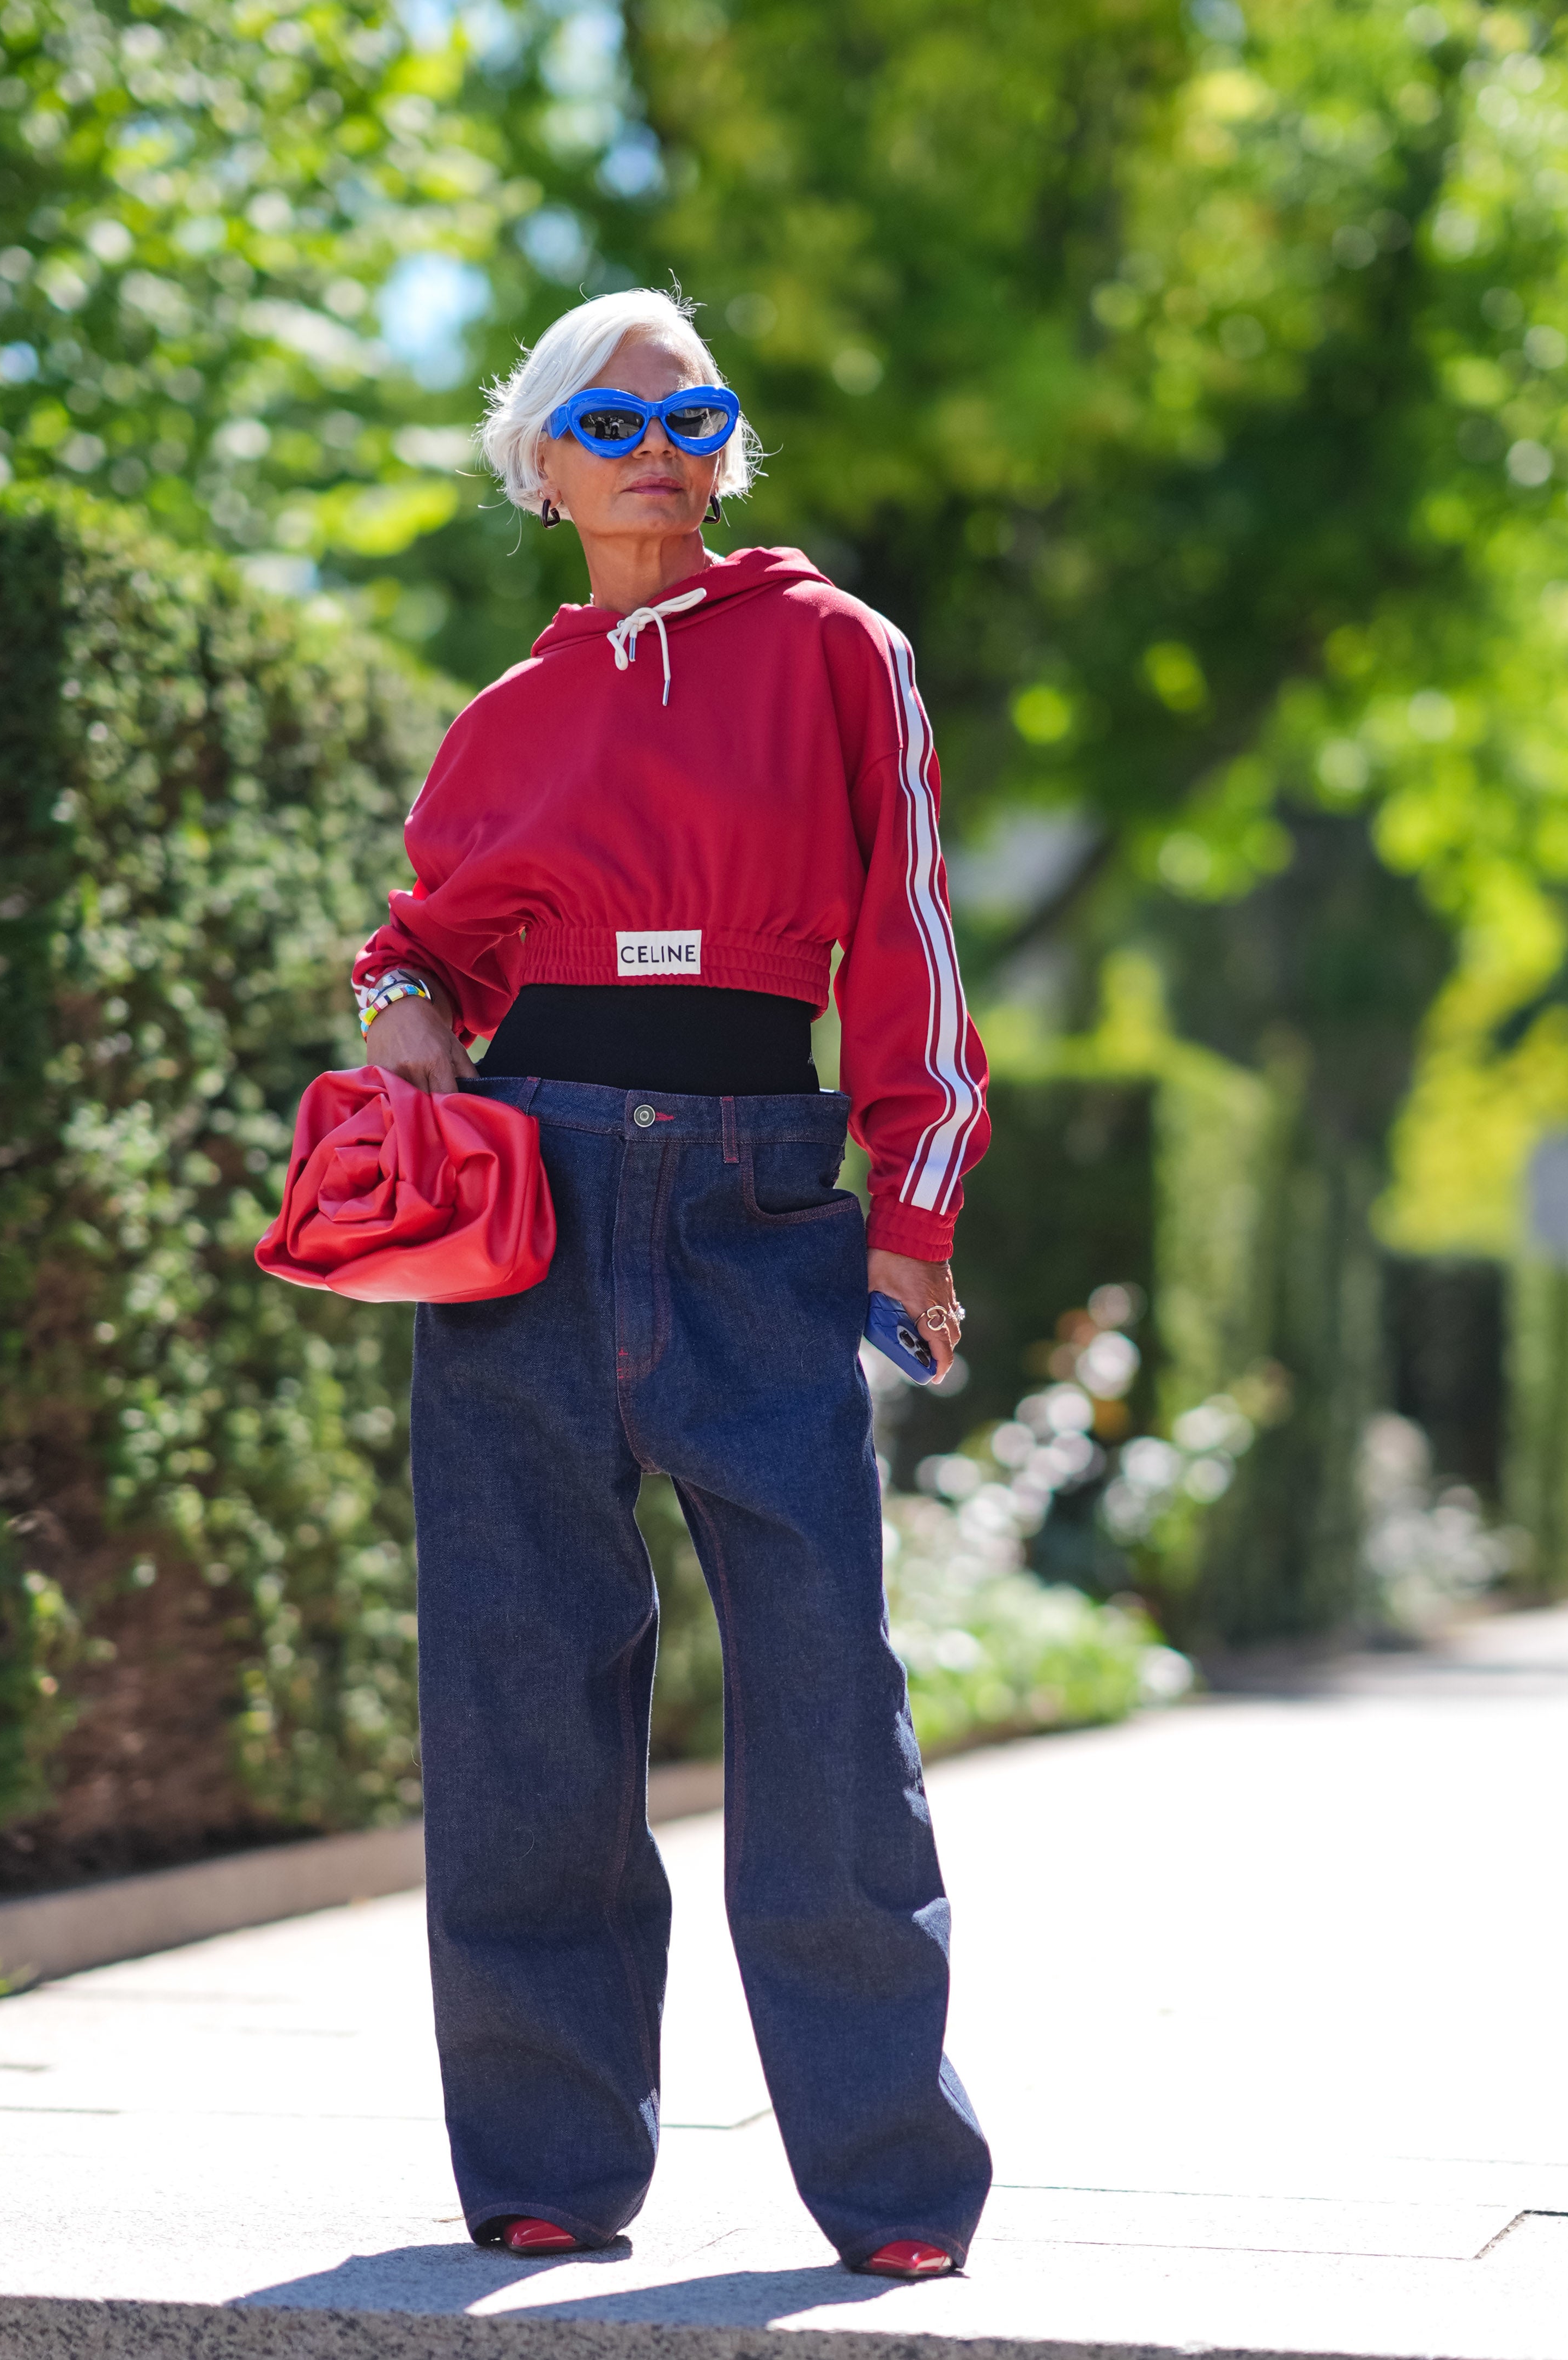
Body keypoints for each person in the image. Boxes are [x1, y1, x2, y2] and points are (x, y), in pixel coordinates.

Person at [353, 287, 993, 2279]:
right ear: (539, 467)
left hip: (756, 1199)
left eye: (692, 414)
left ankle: (891, 2187)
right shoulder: (501, 720)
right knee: (519, 1689)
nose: (658, 448)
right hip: (525, 1200)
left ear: (725, 451)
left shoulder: (833, 651)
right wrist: (396, 1010)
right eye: (612, 423)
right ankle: (548, 2166)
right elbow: (426, 941)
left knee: (823, 1696)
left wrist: (914, 1204)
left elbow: (905, 935)